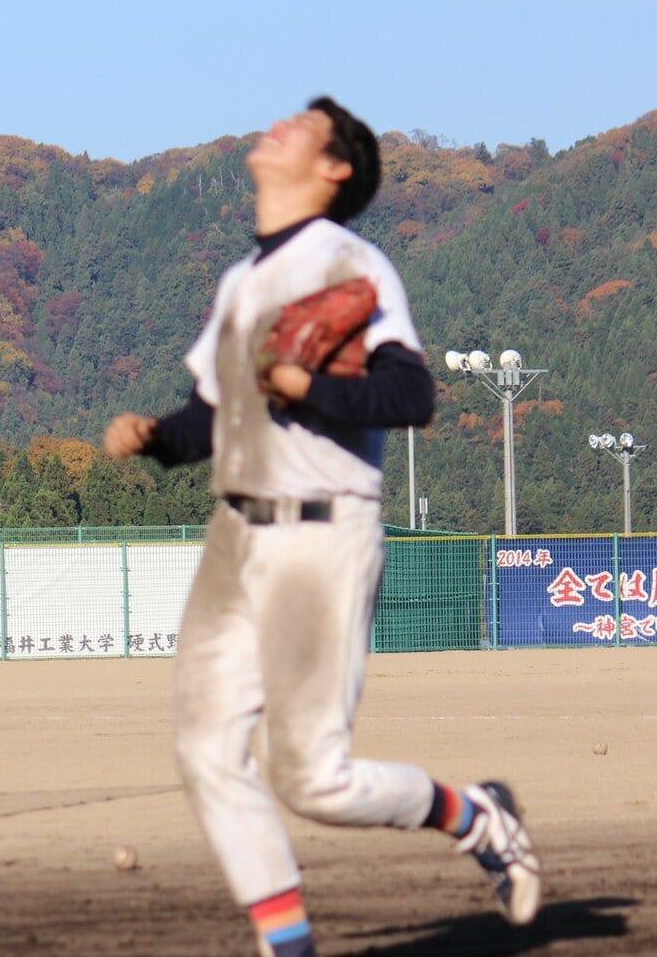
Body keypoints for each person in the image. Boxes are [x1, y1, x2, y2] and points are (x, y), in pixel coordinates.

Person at [102, 97, 540, 957]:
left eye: (304, 124)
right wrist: (157, 438)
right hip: (235, 535)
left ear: (336, 168)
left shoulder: (346, 258)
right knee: (206, 754)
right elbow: (211, 416)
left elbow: (410, 396)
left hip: (318, 535)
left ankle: (474, 814)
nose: (280, 125)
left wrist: (313, 392)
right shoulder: (240, 282)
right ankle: (287, 947)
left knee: (312, 779)